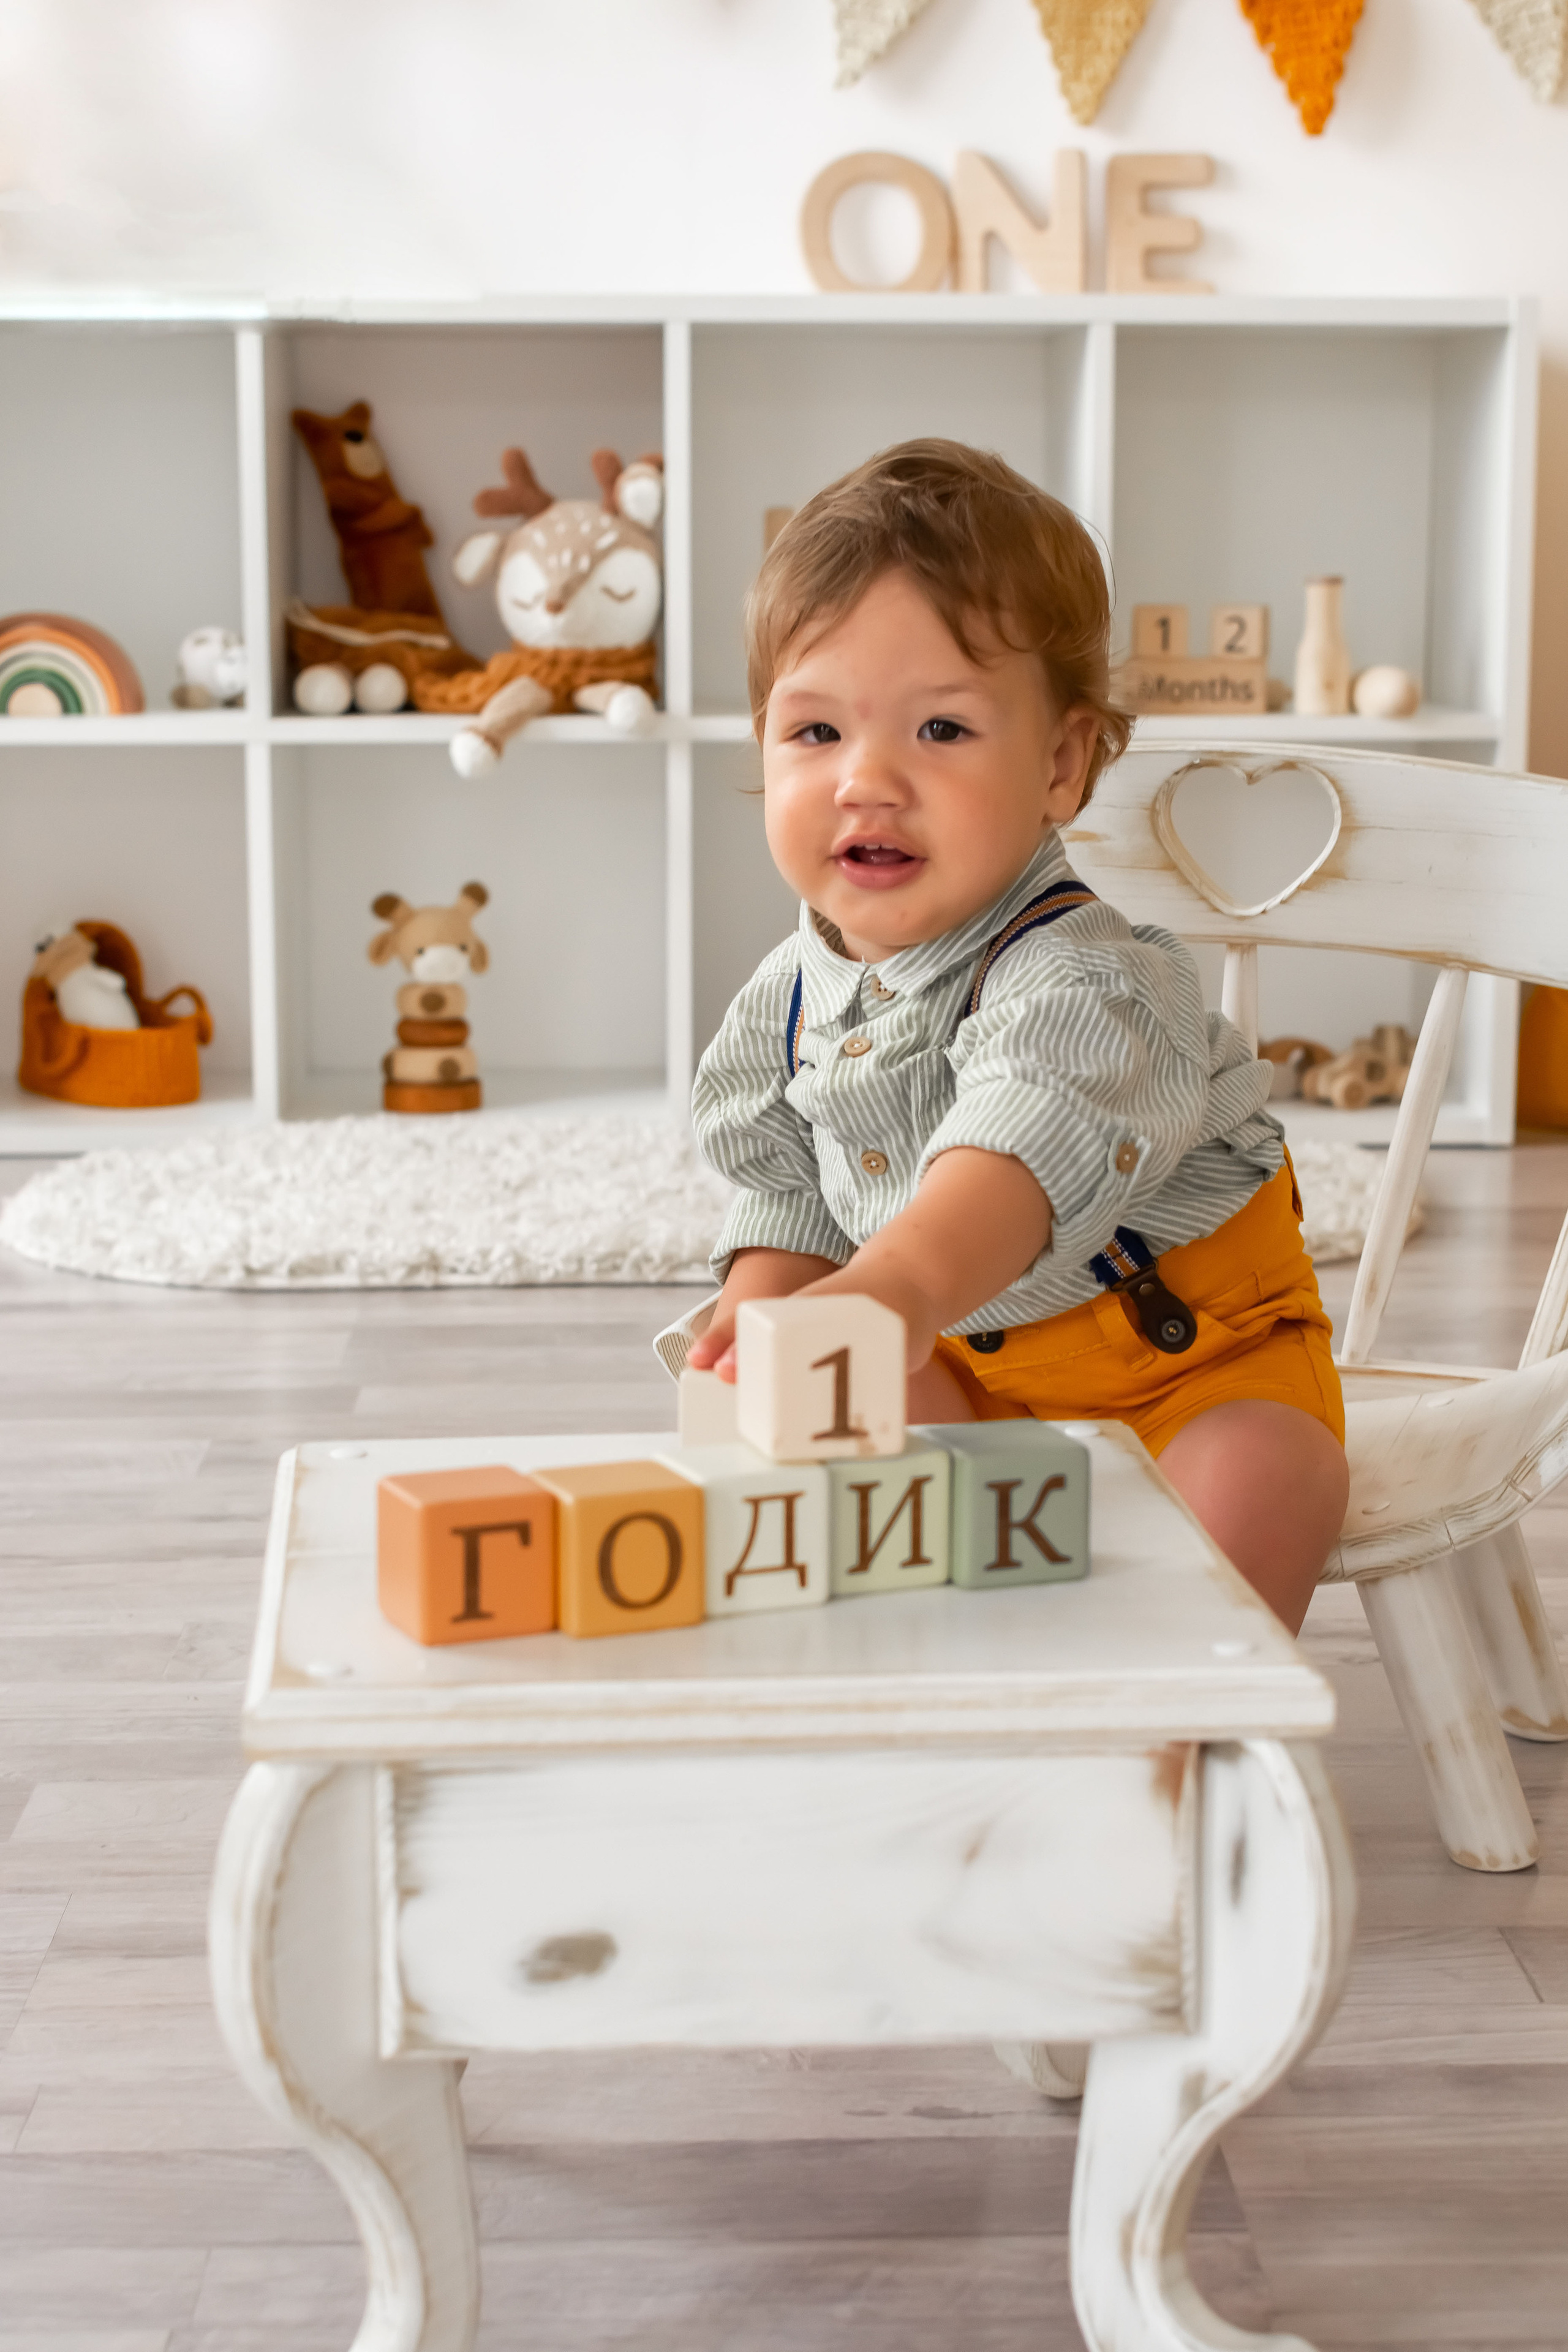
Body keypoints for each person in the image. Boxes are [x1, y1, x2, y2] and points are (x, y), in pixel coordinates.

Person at [687, 440, 1346, 1632]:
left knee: (1259, 1476)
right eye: (815, 732)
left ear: (1058, 761)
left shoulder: (1086, 977)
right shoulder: (783, 1001)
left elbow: (1014, 1152)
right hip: (974, 1374)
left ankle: (1171, 1750)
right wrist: (770, 1302)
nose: (864, 780)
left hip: (1190, 1361)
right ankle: (955, 1693)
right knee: (812, 1461)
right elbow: (781, 1173)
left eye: (939, 731)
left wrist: (886, 1288)